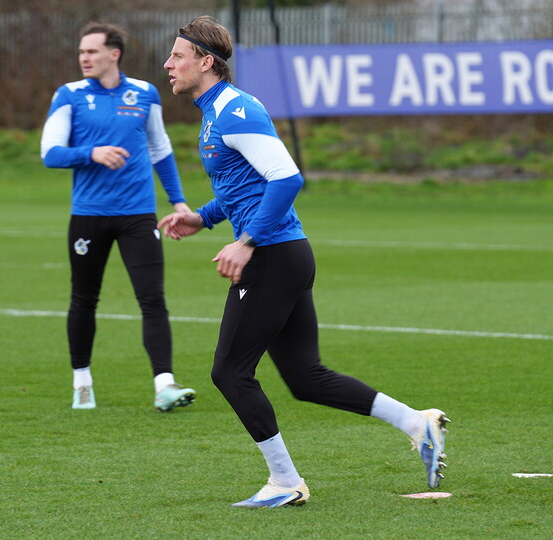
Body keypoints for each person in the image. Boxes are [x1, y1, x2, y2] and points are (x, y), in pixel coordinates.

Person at [158, 16, 450, 508]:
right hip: (283, 255)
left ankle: (286, 482)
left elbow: (286, 179)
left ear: (205, 62)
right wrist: (203, 219)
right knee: (305, 377)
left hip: (273, 256)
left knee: (229, 373)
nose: (168, 64)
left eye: (177, 56)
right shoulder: (214, 111)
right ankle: (415, 422)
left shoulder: (234, 110)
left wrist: (245, 241)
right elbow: (243, 186)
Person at [40, 22, 196, 412]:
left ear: (114, 54)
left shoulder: (144, 93)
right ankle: (82, 382)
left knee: (152, 299)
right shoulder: (69, 95)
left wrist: (178, 202)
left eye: (92, 51)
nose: (84, 58)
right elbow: (50, 153)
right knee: (84, 299)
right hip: (89, 217)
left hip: (138, 215)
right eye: (81, 52)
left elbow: (160, 150)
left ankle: (164, 385)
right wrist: (91, 152)